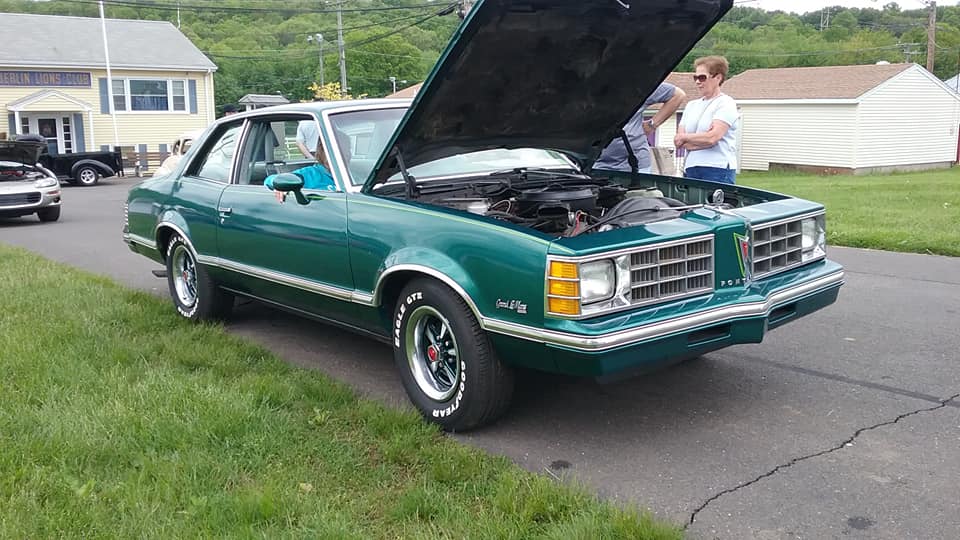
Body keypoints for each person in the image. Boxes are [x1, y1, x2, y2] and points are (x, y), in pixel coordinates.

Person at [674, 55, 739, 184]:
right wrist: (702, 139)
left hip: (718, 169)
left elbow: (712, 138)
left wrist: (688, 137)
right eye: (696, 78)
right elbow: (679, 142)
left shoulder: (726, 103)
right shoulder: (691, 106)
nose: (698, 81)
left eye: (702, 77)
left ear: (718, 78)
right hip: (691, 168)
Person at [595, 82, 686, 174]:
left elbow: (678, 95)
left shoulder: (637, 84)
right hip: (593, 164)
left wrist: (652, 125)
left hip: (636, 165)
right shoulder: (587, 87)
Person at [264, 143, 336, 203]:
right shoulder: (310, 173)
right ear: (323, 152)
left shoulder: (346, 176)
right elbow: (270, 180)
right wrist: (278, 185)